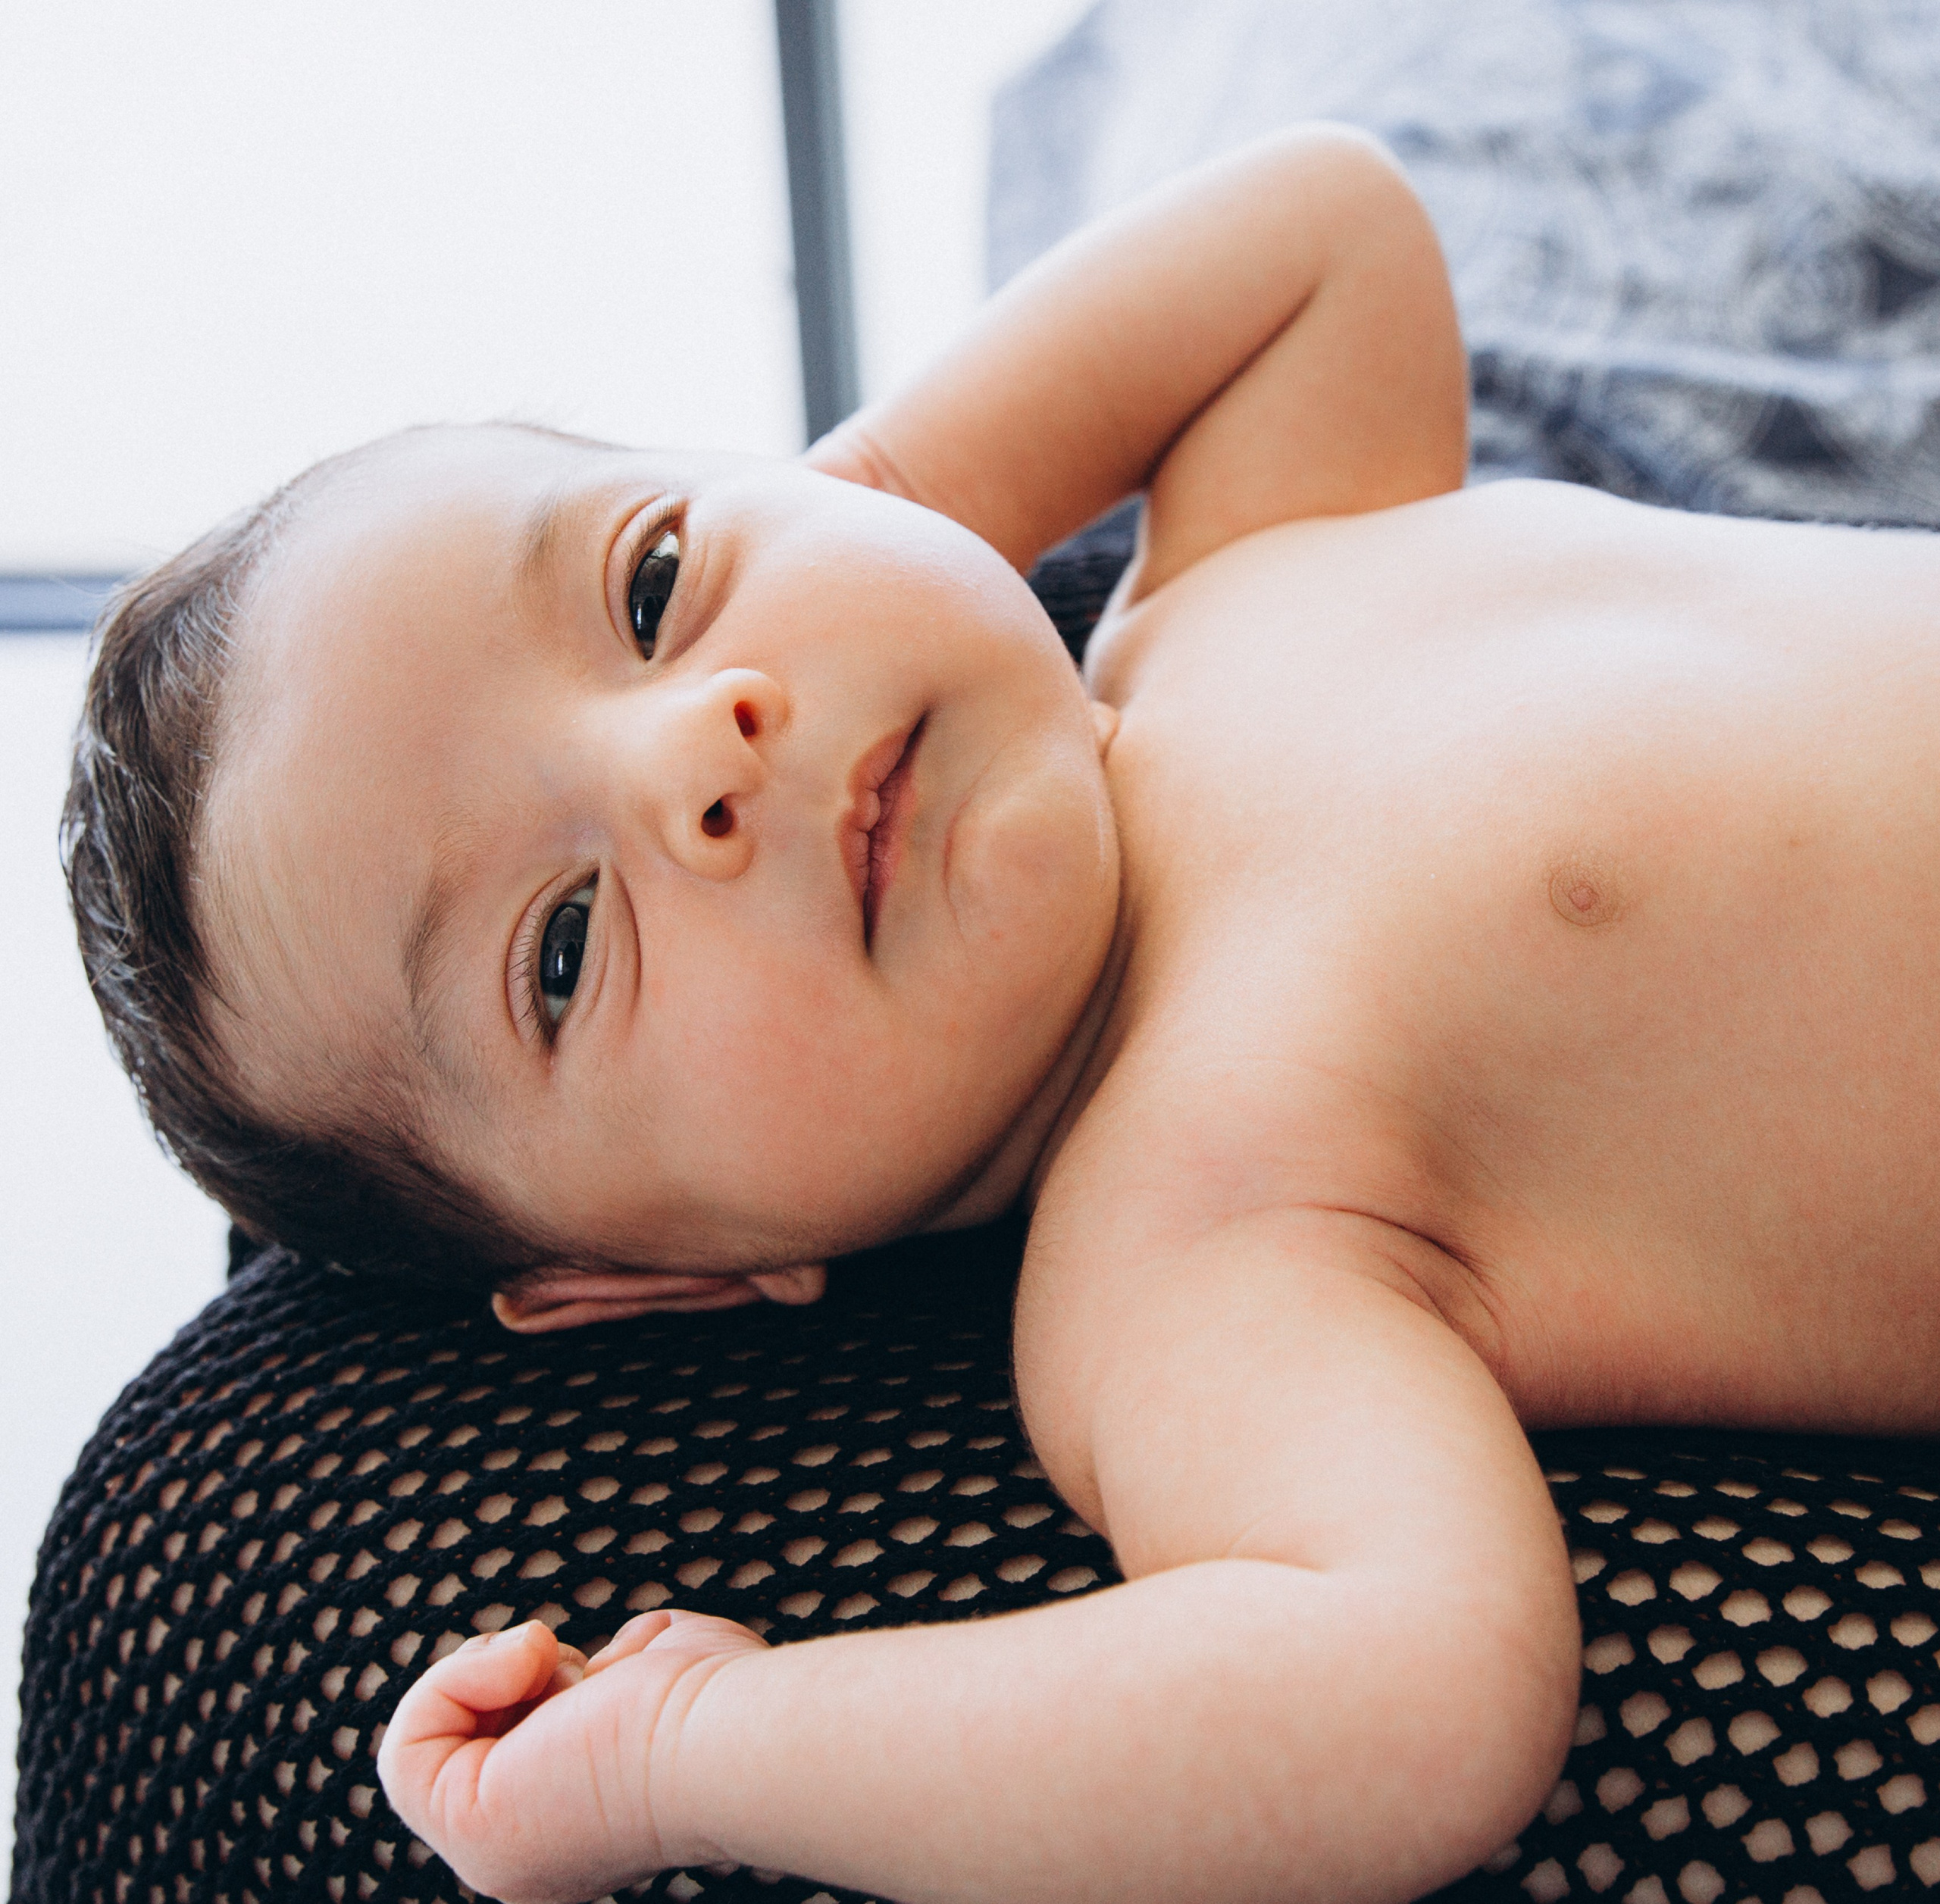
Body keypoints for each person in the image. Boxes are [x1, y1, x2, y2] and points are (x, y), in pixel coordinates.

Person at [61, 123, 1940, 1902]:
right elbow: (1411, 1694)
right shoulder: (1189, 1242)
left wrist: (851, 518)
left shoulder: (1228, 567)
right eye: (563, 948)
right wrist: (691, 1747)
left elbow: (1319, 224)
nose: (697, 751)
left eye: (650, 582)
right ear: (661, 1279)